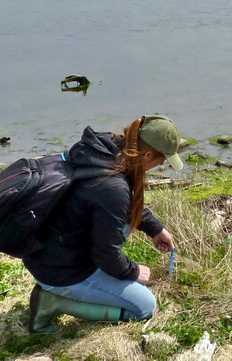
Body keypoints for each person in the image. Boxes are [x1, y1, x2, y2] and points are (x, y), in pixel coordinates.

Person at [23, 115, 183, 333]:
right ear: (147, 155)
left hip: (45, 251)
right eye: (161, 160)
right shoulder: (112, 188)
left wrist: (155, 228)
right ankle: (53, 302)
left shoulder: (101, 151)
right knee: (144, 307)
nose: (160, 165)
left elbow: (117, 205)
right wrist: (134, 272)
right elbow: (105, 255)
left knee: (122, 225)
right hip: (60, 271)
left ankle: (64, 288)